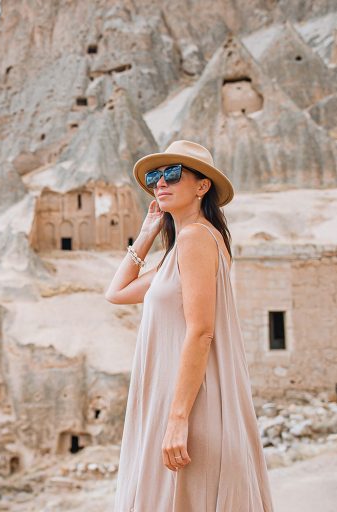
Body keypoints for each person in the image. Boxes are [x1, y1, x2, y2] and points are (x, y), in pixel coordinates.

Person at [105, 140, 274, 511]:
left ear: (202, 186)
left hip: (189, 409)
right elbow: (116, 293)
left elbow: (201, 331)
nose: (160, 183)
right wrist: (148, 233)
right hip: (175, 405)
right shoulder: (181, 247)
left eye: (173, 173)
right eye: (154, 176)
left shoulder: (197, 237)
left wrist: (178, 419)